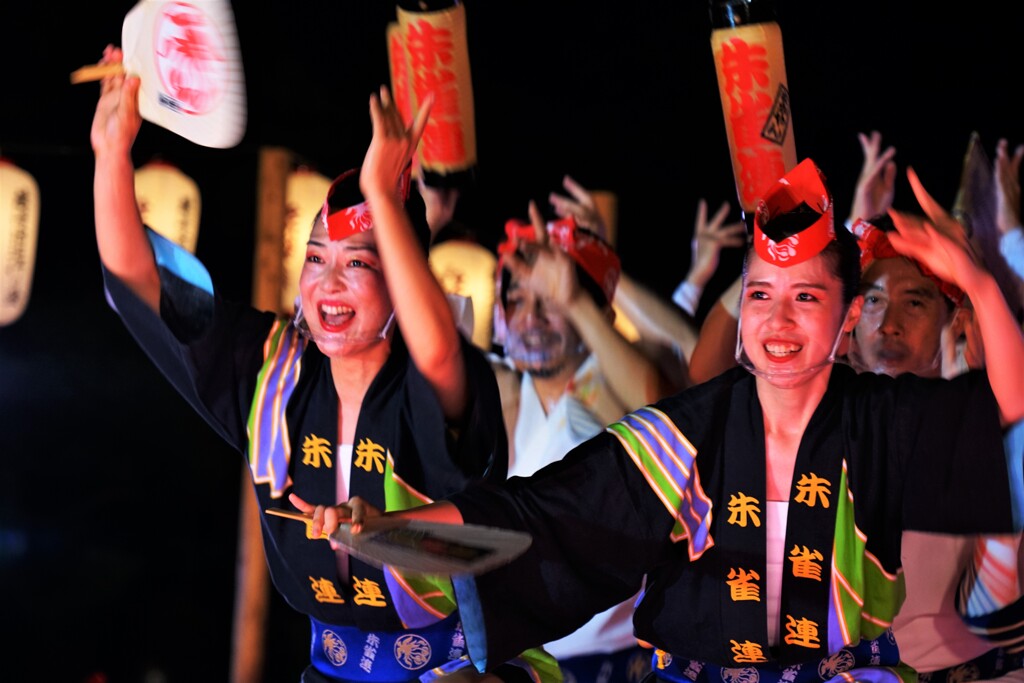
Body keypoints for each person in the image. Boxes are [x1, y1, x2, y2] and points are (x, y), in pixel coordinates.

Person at [304, 157, 1024, 682]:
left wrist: (981, 283)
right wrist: (398, 530)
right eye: (763, 294)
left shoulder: (884, 423)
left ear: (843, 320)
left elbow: (1010, 416)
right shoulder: (688, 430)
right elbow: (546, 512)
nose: (778, 318)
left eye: (807, 297)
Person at [90, 45, 556, 682]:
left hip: (461, 670)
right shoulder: (273, 374)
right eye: (315, 258)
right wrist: (111, 153)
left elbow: (440, 351)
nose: (327, 284)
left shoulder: (430, 383)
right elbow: (137, 283)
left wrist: (383, 202)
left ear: (403, 277)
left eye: (358, 263)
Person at [485, 194, 658, 682]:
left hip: (618, 664)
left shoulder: (602, 390)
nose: (532, 319)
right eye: (517, 300)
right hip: (526, 662)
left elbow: (662, 405)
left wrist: (578, 298)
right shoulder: (503, 392)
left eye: (550, 301)